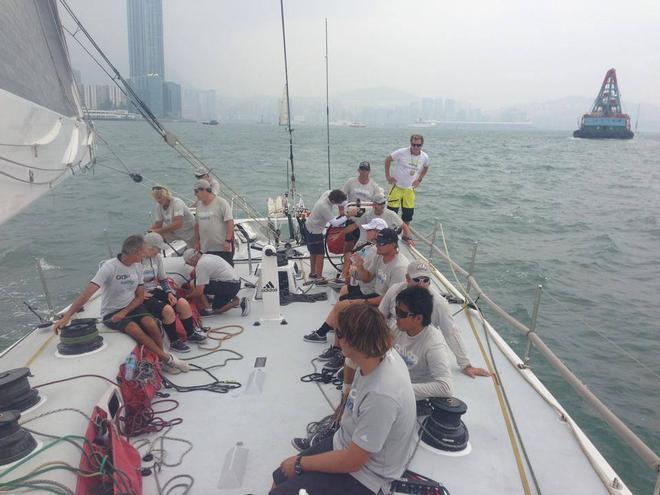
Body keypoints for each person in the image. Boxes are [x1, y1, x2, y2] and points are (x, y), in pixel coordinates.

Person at [270, 304, 417, 495]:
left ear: (350, 342)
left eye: (337, 334)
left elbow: (353, 462)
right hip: (344, 442)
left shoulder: (382, 395)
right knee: (280, 475)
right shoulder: (375, 353)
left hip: (367, 475)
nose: (335, 339)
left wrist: (299, 464)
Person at [52, 235, 189, 373]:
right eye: (142, 251)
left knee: (151, 323)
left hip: (132, 307)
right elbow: (86, 294)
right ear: (134, 252)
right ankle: (167, 359)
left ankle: (162, 359)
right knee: (135, 329)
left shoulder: (138, 267)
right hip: (111, 312)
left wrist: (124, 312)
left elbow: (140, 296)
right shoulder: (109, 267)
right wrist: (67, 316)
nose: (144, 255)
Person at [379, 260, 491, 379]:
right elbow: (381, 316)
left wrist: (466, 364)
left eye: (426, 280)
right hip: (392, 342)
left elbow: (451, 333)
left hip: (416, 351)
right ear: (407, 278)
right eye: (417, 280)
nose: (422, 284)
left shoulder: (439, 304)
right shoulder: (395, 290)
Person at [304, 228, 407, 348]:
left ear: (393, 245)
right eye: (377, 241)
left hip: (385, 305)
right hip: (375, 295)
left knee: (342, 307)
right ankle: (331, 331)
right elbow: (367, 277)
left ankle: (337, 349)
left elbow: (389, 298)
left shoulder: (399, 268)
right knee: (343, 298)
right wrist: (359, 266)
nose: (377, 245)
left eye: (381, 242)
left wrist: (364, 301)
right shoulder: (380, 256)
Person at [311, 218, 387, 364]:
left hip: (370, 292)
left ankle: (337, 349)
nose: (367, 231)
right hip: (367, 287)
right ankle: (334, 327)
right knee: (345, 291)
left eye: (370, 230)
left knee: (341, 306)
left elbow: (367, 277)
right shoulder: (372, 248)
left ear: (378, 233)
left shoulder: (376, 252)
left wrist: (355, 268)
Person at [141, 232, 207, 352]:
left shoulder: (157, 258)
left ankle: (190, 333)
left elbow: (162, 279)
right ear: (148, 247)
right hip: (140, 295)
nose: (159, 252)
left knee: (182, 303)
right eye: (157, 249)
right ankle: (174, 341)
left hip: (153, 289)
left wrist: (169, 293)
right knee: (167, 310)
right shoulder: (136, 260)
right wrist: (139, 294)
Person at [393, 286, 453, 400]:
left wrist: (402, 389)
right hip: (394, 382)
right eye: (396, 310)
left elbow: (446, 387)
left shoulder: (434, 344)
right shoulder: (398, 328)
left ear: (418, 318)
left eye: (401, 313)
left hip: (411, 397)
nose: (396, 316)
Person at [336, 161, 383, 281]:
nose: (364, 172)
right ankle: (345, 271)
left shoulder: (374, 186)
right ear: (358, 170)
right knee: (349, 245)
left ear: (369, 171)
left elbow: (380, 201)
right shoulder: (351, 182)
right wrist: (341, 210)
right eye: (362, 169)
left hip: (365, 222)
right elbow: (340, 196)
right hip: (352, 219)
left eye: (366, 170)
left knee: (361, 247)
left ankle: (359, 269)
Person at [182, 249, 250, 317]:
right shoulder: (209, 256)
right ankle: (238, 301)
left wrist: (187, 297)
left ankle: (208, 309)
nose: (190, 265)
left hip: (229, 285)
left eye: (188, 263)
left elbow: (199, 291)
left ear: (192, 260)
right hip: (236, 284)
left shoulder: (201, 264)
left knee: (193, 283)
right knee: (217, 307)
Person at [332, 192, 414, 247]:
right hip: (370, 244)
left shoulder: (391, 214)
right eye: (380, 203)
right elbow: (353, 226)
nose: (382, 206)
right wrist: (339, 235)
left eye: (383, 203)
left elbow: (404, 226)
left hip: (384, 244)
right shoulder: (367, 215)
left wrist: (409, 239)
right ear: (374, 204)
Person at [385, 134, 430, 224]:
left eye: (418, 145)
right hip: (397, 187)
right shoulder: (401, 152)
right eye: (413, 145)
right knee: (391, 213)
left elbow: (426, 167)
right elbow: (387, 160)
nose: (415, 147)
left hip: (409, 189)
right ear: (410, 143)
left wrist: (419, 179)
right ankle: (389, 234)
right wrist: (388, 176)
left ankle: (405, 236)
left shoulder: (425, 157)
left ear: (422, 145)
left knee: (408, 215)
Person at [303, 189, 347, 280]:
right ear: (333, 201)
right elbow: (335, 223)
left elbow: (342, 202)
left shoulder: (328, 193)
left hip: (309, 226)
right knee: (320, 254)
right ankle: (319, 277)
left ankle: (312, 273)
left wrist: (342, 211)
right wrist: (348, 215)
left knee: (313, 252)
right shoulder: (324, 206)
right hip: (314, 231)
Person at [193, 179, 235, 266]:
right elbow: (197, 224)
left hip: (222, 247)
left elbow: (230, 222)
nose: (195, 194)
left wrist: (227, 240)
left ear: (205, 190)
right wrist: (197, 241)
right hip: (206, 248)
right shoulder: (199, 205)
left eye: (196, 191)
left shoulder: (221, 202)